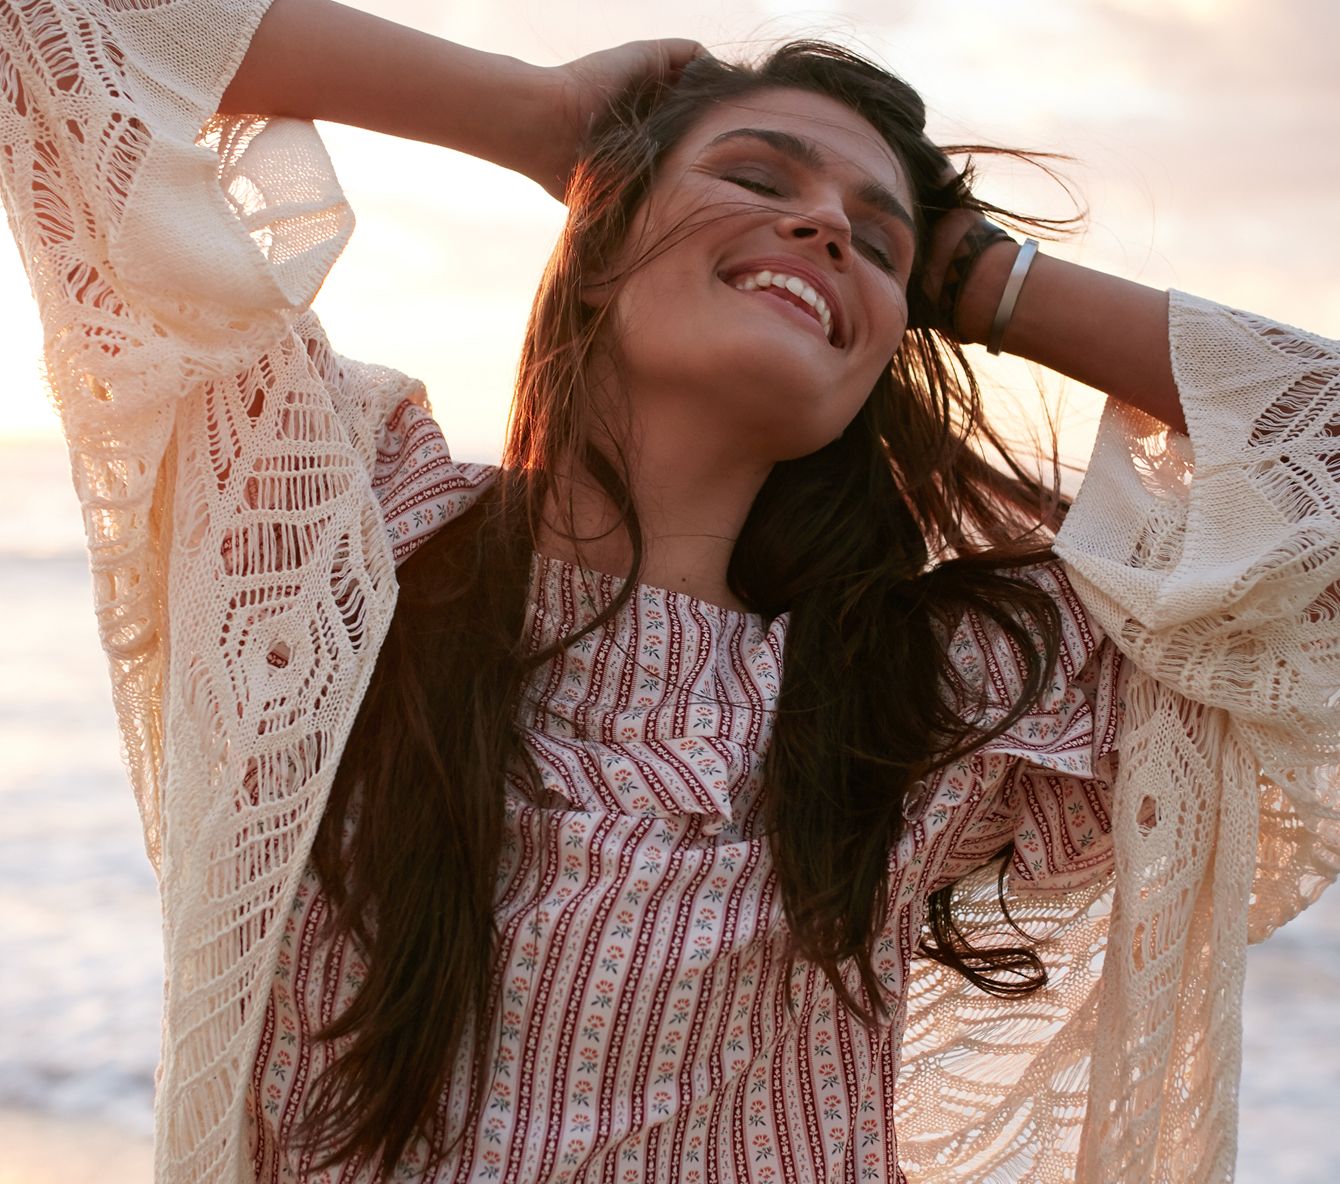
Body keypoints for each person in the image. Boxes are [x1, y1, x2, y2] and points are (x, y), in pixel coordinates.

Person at [1, 1, 1337, 1182]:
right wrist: (537, 117)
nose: (826, 225)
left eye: (878, 245)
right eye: (755, 176)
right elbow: (62, 37)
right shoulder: (347, 537)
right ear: (599, 243)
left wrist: (979, 278)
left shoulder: (925, 693)